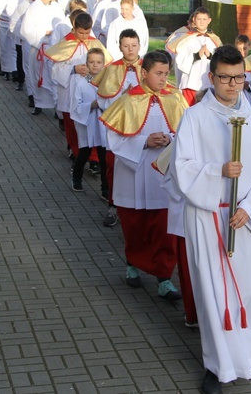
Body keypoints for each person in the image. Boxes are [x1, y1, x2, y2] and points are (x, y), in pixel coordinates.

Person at [170, 45, 251, 394]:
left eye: (239, 78)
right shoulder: (195, 117)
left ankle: (248, 353)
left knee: (245, 287)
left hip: (242, 216)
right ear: (211, 77)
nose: (233, 85)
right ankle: (218, 366)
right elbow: (181, 167)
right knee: (213, 292)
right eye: (225, 78)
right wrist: (218, 171)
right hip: (207, 214)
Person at [100, 51, 188, 300]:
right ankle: (132, 265)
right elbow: (114, 138)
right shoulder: (129, 100)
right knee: (135, 224)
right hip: (134, 173)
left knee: (163, 228)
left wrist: (169, 139)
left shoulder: (175, 98)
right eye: (158, 73)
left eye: (166, 73)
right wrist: (144, 141)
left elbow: (186, 132)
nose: (163, 79)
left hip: (162, 176)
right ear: (144, 73)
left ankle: (164, 277)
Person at [92, 29, 144, 228]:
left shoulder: (147, 68)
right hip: (117, 129)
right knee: (114, 168)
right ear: (119, 46)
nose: (130, 50)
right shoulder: (111, 69)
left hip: (141, 129)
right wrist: (124, 95)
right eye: (125, 46)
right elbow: (102, 101)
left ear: (139, 45)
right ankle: (113, 207)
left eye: (133, 45)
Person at [47, 12, 111, 161]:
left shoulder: (95, 44)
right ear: (74, 28)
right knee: (72, 126)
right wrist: (74, 69)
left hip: (89, 92)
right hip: (70, 91)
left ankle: (94, 158)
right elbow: (55, 71)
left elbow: (105, 66)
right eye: (80, 32)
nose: (83, 36)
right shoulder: (65, 44)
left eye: (87, 33)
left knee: (92, 124)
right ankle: (76, 152)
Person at [20, 0, 64, 115]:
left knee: (54, 78)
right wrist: (43, 33)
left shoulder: (56, 7)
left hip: (54, 48)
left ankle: (58, 109)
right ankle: (38, 103)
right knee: (38, 76)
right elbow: (25, 30)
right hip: (39, 47)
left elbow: (62, 26)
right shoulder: (34, 8)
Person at [69, 48, 108, 195]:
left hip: (102, 123)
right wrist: (91, 105)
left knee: (104, 158)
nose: (95, 65)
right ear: (86, 63)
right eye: (91, 62)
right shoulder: (81, 84)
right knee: (84, 153)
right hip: (87, 122)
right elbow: (75, 106)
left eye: (98, 62)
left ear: (104, 64)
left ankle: (105, 189)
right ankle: (76, 178)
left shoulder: (107, 83)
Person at [168, 6, 222, 106]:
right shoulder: (186, 38)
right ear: (194, 19)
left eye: (204, 19)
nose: (202, 22)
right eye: (199, 19)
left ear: (209, 20)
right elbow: (180, 60)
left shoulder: (214, 40)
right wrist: (197, 55)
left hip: (208, 84)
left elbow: (221, 61)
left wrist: (210, 55)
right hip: (190, 83)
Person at [9, 0, 39, 92]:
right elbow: (14, 22)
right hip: (23, 39)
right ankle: (21, 81)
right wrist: (21, 35)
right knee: (22, 62)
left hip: (37, 41)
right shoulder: (23, 6)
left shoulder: (40, 6)